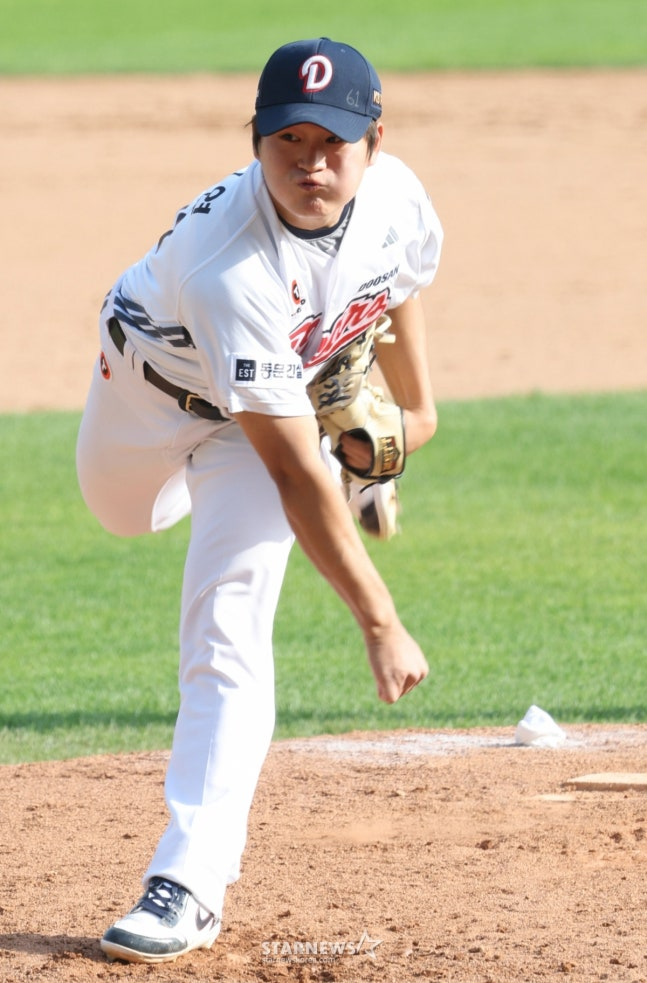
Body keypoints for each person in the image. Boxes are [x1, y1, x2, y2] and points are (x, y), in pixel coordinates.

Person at [76, 37, 443, 965]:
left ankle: (187, 885)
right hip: (144, 400)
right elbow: (292, 472)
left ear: (373, 143)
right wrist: (380, 619)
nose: (311, 162)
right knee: (126, 513)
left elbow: (393, 290)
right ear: (255, 142)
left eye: (334, 141)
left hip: (250, 432)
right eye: (289, 141)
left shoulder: (395, 197)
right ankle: (341, 465)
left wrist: (420, 414)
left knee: (227, 627)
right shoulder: (228, 263)